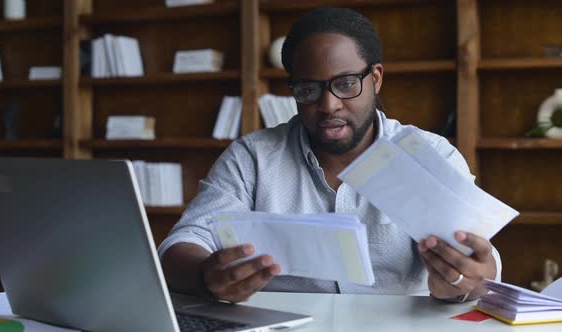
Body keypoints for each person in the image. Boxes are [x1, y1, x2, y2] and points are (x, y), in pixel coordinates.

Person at [159, 7, 500, 304]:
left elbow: (478, 259)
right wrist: (206, 275)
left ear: (376, 79)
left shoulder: (432, 155)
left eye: (346, 83)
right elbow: (184, 243)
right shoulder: (253, 157)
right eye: (308, 89)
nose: (328, 105)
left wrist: (465, 283)